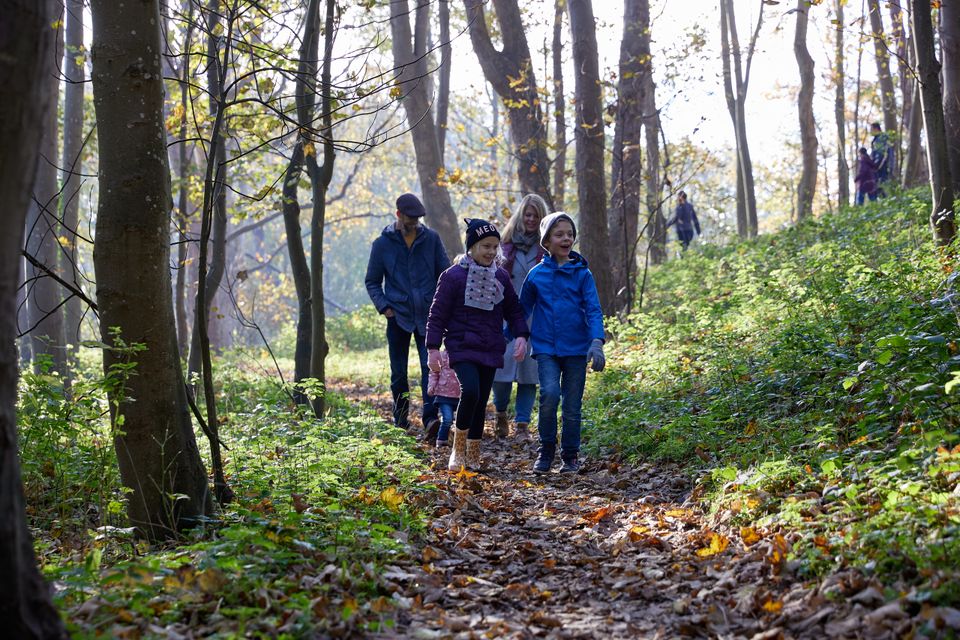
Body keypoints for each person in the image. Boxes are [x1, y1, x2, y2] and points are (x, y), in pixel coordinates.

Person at [426, 219, 529, 472]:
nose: (491, 252)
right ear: (472, 246)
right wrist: (432, 348)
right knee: (470, 391)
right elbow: (437, 314)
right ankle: (457, 450)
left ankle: (473, 452)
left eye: (495, 247)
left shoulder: (501, 277)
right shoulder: (453, 276)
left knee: (481, 401)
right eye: (485, 246)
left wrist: (521, 336)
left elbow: (514, 310)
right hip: (461, 346)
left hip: (490, 347)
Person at [519, 212, 605, 474]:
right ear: (547, 241)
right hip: (545, 347)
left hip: (577, 348)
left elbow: (593, 309)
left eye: (569, 234)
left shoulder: (582, 274)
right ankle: (545, 450)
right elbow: (521, 311)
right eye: (560, 234)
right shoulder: (535, 275)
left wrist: (597, 341)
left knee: (571, 404)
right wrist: (517, 336)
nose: (566, 238)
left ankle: (570, 455)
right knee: (549, 395)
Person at [365, 193, 450, 436]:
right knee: (399, 373)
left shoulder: (431, 239)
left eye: (417, 220)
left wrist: (442, 305)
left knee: (431, 368)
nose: (414, 224)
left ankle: (430, 419)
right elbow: (372, 281)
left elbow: (445, 274)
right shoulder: (381, 245)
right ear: (398, 215)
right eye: (410, 219)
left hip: (429, 316)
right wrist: (384, 306)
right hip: (397, 317)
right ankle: (401, 419)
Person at [492, 194, 548, 440]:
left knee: (529, 372)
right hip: (506, 314)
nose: (531, 219)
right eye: (528, 214)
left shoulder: (546, 248)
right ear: (520, 216)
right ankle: (501, 413)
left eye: (536, 215)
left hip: (536, 316)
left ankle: (523, 424)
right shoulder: (504, 245)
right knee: (501, 370)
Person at [426, 349, 459, 448]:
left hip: (460, 395)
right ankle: (441, 441)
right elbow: (434, 372)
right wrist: (431, 386)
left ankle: (459, 442)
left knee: (461, 421)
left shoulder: (465, 354)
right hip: (444, 394)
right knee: (447, 419)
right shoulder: (441, 355)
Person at [870, 122, 893, 191]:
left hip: (883, 166)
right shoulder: (875, 139)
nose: (870, 131)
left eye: (871, 129)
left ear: (876, 129)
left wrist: (877, 166)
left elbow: (882, 154)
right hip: (879, 166)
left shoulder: (882, 138)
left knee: (883, 184)